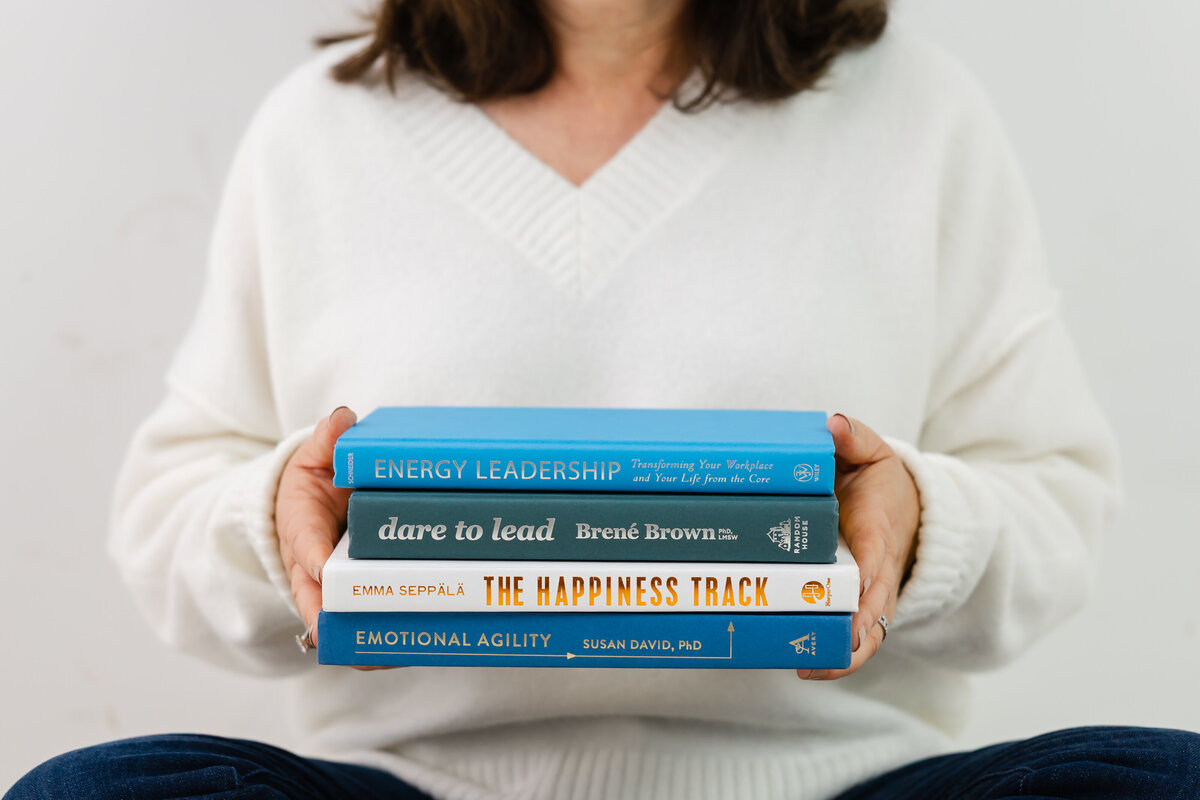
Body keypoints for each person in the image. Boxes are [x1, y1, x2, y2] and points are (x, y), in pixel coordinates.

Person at [7, 1, 1198, 798]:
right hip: (414, 785)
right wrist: (275, 522)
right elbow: (164, 513)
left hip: (838, 783)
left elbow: (1058, 494)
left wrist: (923, 525)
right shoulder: (320, 130)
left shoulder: (919, 111)